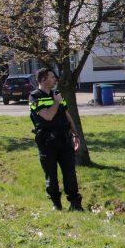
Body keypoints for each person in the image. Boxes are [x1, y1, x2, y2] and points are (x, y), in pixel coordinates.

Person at [29, 68, 83, 211]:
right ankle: (56, 204)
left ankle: (75, 203)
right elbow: (47, 116)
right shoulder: (35, 97)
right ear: (43, 80)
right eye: (52, 77)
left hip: (64, 140)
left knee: (69, 171)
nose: (55, 80)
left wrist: (75, 135)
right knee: (51, 174)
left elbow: (67, 116)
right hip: (47, 142)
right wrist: (56, 103)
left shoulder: (57, 95)